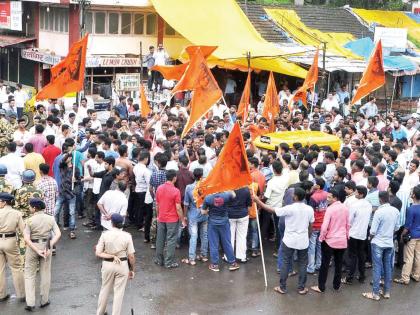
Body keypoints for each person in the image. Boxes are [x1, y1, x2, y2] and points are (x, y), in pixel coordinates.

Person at [254, 187, 314, 295]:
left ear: (295, 197)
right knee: (302, 264)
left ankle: (282, 287)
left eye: (293, 194)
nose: (291, 195)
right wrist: (308, 237)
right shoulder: (309, 209)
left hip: (289, 240)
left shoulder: (289, 208)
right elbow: (311, 226)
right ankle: (301, 288)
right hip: (303, 241)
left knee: (286, 262)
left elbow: (271, 210)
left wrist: (258, 201)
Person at [23, 198, 61, 311]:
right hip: (46, 247)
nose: (29, 208)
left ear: (34, 208)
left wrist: (36, 250)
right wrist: (49, 246)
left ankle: (30, 303)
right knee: (45, 274)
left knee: (29, 275)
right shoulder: (51, 219)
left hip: (32, 248)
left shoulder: (29, 220)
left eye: (30, 206)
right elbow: (58, 234)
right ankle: (44, 300)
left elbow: (26, 239)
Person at [95, 213, 135, 315]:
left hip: (107, 265)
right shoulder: (127, 236)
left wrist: (111, 256)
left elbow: (98, 253)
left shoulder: (104, 235)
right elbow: (131, 256)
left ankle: (100, 312)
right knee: (119, 293)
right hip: (122, 265)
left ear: (111, 222)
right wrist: (132, 270)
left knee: (105, 289)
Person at [363, 191, 400, 301]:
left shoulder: (379, 212)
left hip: (378, 243)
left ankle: (375, 293)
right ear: (388, 198)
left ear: (380, 199)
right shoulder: (395, 211)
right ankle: (387, 292)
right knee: (388, 267)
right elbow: (397, 227)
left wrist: (370, 237)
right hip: (389, 243)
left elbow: (373, 230)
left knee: (377, 268)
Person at [311, 187, 349, 293]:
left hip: (329, 241)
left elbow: (324, 226)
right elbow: (347, 224)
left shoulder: (330, 209)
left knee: (325, 264)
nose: (327, 198)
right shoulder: (345, 208)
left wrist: (321, 238)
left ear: (335, 198)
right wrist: (347, 236)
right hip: (342, 240)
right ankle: (336, 286)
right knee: (338, 264)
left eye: (329, 197)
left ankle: (321, 286)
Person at [154, 169, 186, 269]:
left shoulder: (159, 188)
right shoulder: (176, 191)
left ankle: (159, 259)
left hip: (161, 218)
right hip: (172, 219)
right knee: (171, 240)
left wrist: (158, 216)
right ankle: (169, 262)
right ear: (174, 178)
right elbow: (178, 207)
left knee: (160, 238)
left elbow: (157, 204)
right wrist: (182, 220)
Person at [202, 190, 240, 272]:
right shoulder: (227, 195)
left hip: (212, 223)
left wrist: (209, 211)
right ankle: (232, 263)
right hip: (224, 223)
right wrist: (227, 188)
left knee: (213, 244)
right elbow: (234, 194)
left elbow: (203, 212)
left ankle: (215, 265)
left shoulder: (208, 198)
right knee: (227, 243)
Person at [342, 185, 372, 284]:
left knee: (353, 256)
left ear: (361, 194)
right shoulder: (368, 205)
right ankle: (362, 276)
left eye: (357, 192)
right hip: (363, 234)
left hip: (353, 233)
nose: (355, 194)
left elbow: (349, 221)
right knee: (361, 254)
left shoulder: (355, 205)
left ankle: (350, 277)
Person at [0, 192, 25, 303]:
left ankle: (1, 294)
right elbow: (23, 230)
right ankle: (21, 294)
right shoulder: (17, 213)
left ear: (4, 202)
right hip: (10, 241)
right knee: (16, 268)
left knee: (0, 269)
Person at [394, 185, 420, 285]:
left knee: (408, 257)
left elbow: (407, 226)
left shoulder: (411, 209)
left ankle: (405, 278)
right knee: (418, 255)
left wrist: (402, 235)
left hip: (412, 236)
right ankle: (416, 275)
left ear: (413, 195)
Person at [182, 168, 208, 265]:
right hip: (205, 213)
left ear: (193, 176)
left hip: (193, 214)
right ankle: (204, 255)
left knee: (193, 236)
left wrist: (184, 216)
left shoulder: (189, 187)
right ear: (202, 176)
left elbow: (186, 203)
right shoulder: (206, 186)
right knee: (204, 235)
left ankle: (192, 258)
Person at [228, 186, 251, 263]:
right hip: (243, 214)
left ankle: (228, 256)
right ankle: (241, 257)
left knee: (229, 236)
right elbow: (249, 205)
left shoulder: (228, 189)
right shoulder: (246, 189)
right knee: (242, 236)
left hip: (230, 215)